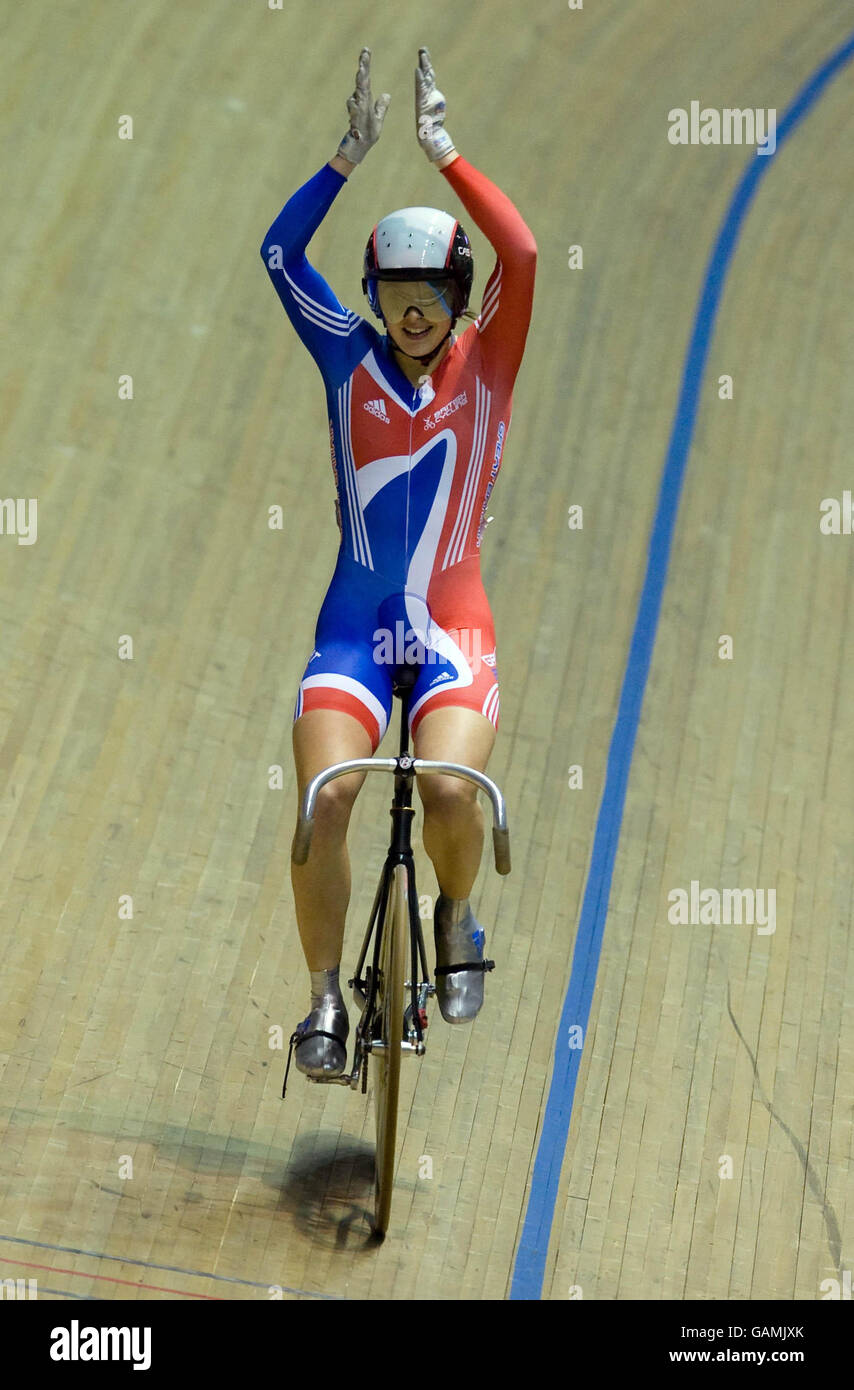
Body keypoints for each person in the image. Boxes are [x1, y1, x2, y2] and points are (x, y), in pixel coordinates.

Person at [260, 46, 536, 1081]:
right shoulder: (345, 355)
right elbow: (280, 257)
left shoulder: (487, 362)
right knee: (324, 802)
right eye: (395, 290)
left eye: (430, 292)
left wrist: (446, 153)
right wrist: (341, 160)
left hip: (454, 632)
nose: (412, 310)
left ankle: (455, 912)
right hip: (352, 633)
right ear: (374, 292)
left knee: (455, 794)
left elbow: (527, 250)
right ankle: (326, 998)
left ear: (459, 294)